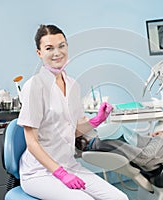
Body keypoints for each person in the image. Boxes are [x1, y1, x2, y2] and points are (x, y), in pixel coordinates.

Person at [17, 24, 129, 200]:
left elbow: (74, 130)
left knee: (120, 198)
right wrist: (61, 174)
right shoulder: (34, 86)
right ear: (39, 53)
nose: (57, 53)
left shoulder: (73, 85)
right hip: (39, 172)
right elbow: (31, 143)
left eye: (61, 46)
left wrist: (97, 120)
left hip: (70, 165)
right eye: (49, 48)